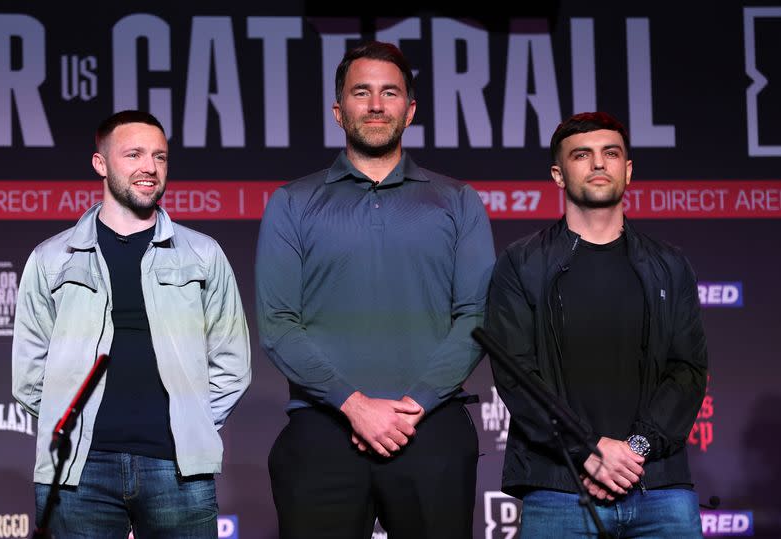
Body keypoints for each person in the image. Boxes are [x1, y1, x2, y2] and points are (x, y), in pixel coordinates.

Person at [255, 41, 495, 539]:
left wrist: (415, 405)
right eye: (361, 92)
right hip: (324, 428)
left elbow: (476, 316)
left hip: (431, 428)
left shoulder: (457, 201)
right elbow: (278, 324)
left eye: (390, 93)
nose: (376, 105)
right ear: (339, 110)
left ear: (410, 110)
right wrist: (354, 405)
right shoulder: (293, 202)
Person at [12, 110, 251, 538]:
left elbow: (232, 362)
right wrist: (69, 423)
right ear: (100, 164)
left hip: (178, 468)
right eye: (134, 154)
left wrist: (189, 420)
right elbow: (29, 374)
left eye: (160, 156)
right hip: (77, 470)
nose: (150, 168)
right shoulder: (51, 259)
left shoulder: (203, 255)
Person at [485, 111, 708, 537]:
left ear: (627, 169)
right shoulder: (520, 263)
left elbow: (688, 371)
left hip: (659, 486)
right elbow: (517, 375)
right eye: (582, 155)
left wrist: (635, 450)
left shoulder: (670, 265)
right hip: (558, 488)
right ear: (558, 174)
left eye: (610, 153)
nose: (599, 164)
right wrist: (587, 448)